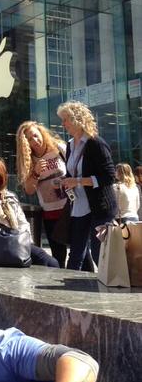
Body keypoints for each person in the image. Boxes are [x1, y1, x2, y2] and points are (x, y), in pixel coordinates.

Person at [0, 158, 59, 267]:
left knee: (50, 262)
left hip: (16, 243)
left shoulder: (11, 196)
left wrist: (22, 238)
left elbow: (22, 222)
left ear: (1, 177)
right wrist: (6, 236)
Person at [57, 101, 116, 269]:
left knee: (100, 254)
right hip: (78, 206)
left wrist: (77, 181)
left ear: (78, 119)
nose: (63, 124)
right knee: (76, 254)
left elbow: (109, 176)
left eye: (66, 119)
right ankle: (70, 291)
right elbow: (71, 173)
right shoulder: (69, 145)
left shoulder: (96, 143)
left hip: (100, 207)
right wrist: (66, 182)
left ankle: (111, 290)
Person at [16, 121, 68, 267]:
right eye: (29, 139)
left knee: (80, 251)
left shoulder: (59, 148)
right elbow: (29, 190)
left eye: (35, 136)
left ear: (42, 133)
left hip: (70, 208)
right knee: (58, 256)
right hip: (50, 213)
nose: (35, 141)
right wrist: (36, 172)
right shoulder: (29, 160)